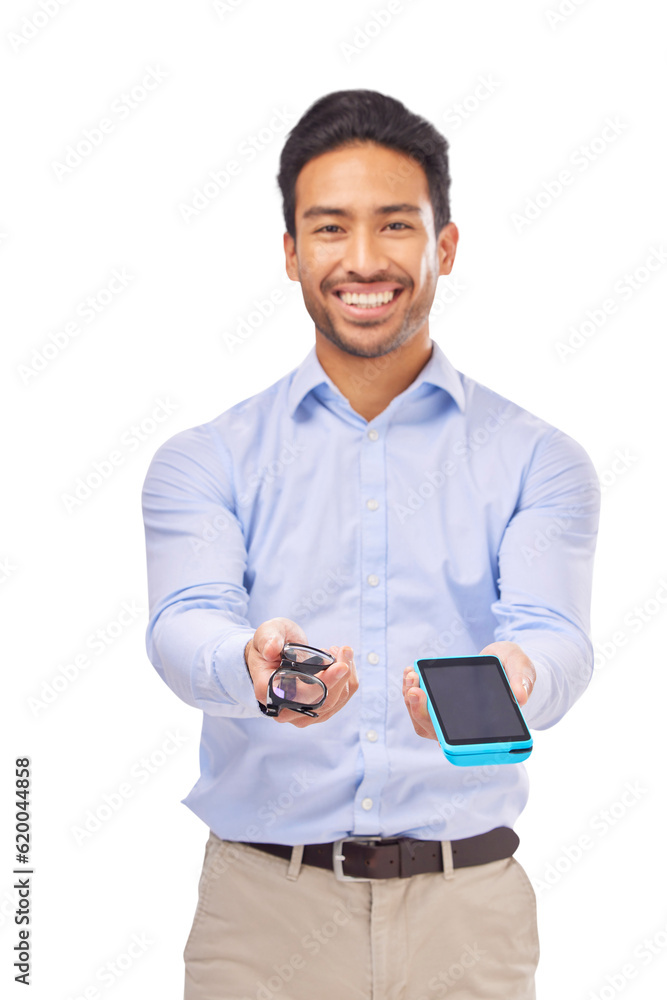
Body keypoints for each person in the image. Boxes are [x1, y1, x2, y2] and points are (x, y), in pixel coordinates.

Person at [141, 89, 600, 1000]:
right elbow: (183, 624)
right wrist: (252, 666)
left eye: (395, 225)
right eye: (327, 229)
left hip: (468, 913)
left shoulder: (540, 459)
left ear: (445, 245)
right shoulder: (203, 459)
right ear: (289, 253)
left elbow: (555, 634)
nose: (362, 261)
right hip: (261, 912)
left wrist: (511, 680)